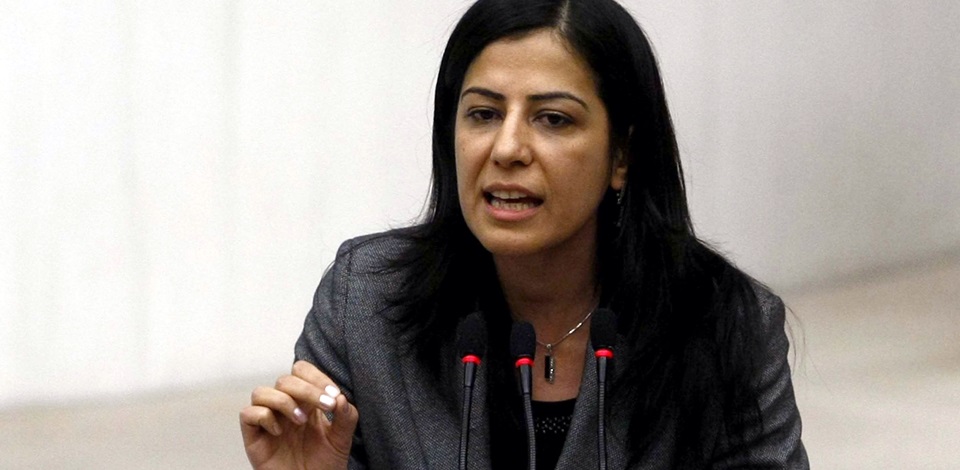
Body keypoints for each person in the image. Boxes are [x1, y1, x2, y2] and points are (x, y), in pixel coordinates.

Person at [240, 0, 809, 468]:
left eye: (552, 119)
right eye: (484, 114)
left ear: (621, 155)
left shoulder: (725, 327)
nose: (507, 148)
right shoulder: (366, 303)